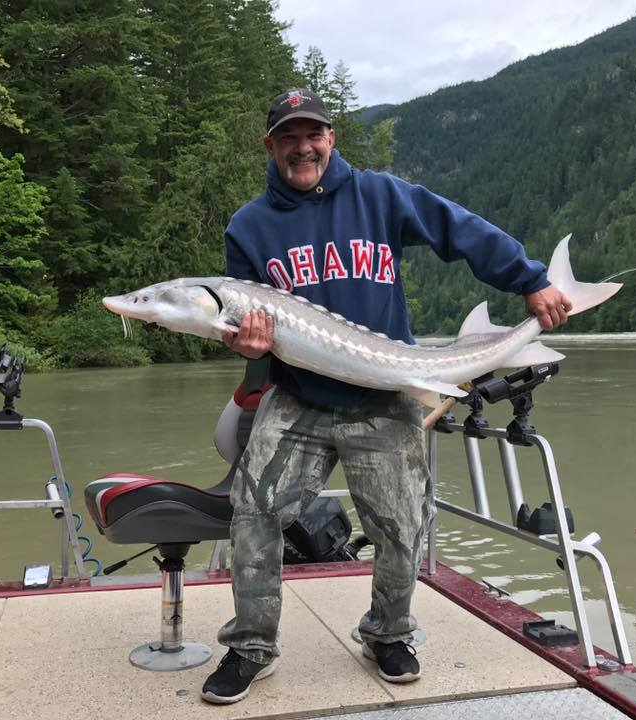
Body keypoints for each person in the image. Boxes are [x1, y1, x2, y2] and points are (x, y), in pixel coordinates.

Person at [200, 88, 571, 704]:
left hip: (387, 392)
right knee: (254, 514)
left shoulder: (379, 195)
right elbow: (250, 334)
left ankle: (389, 634)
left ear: (331, 137)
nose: (302, 147)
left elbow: (460, 230)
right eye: (288, 137)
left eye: (312, 133)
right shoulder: (249, 226)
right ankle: (250, 646)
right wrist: (249, 349)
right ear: (270, 146)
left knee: (402, 525)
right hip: (300, 401)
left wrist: (530, 280)